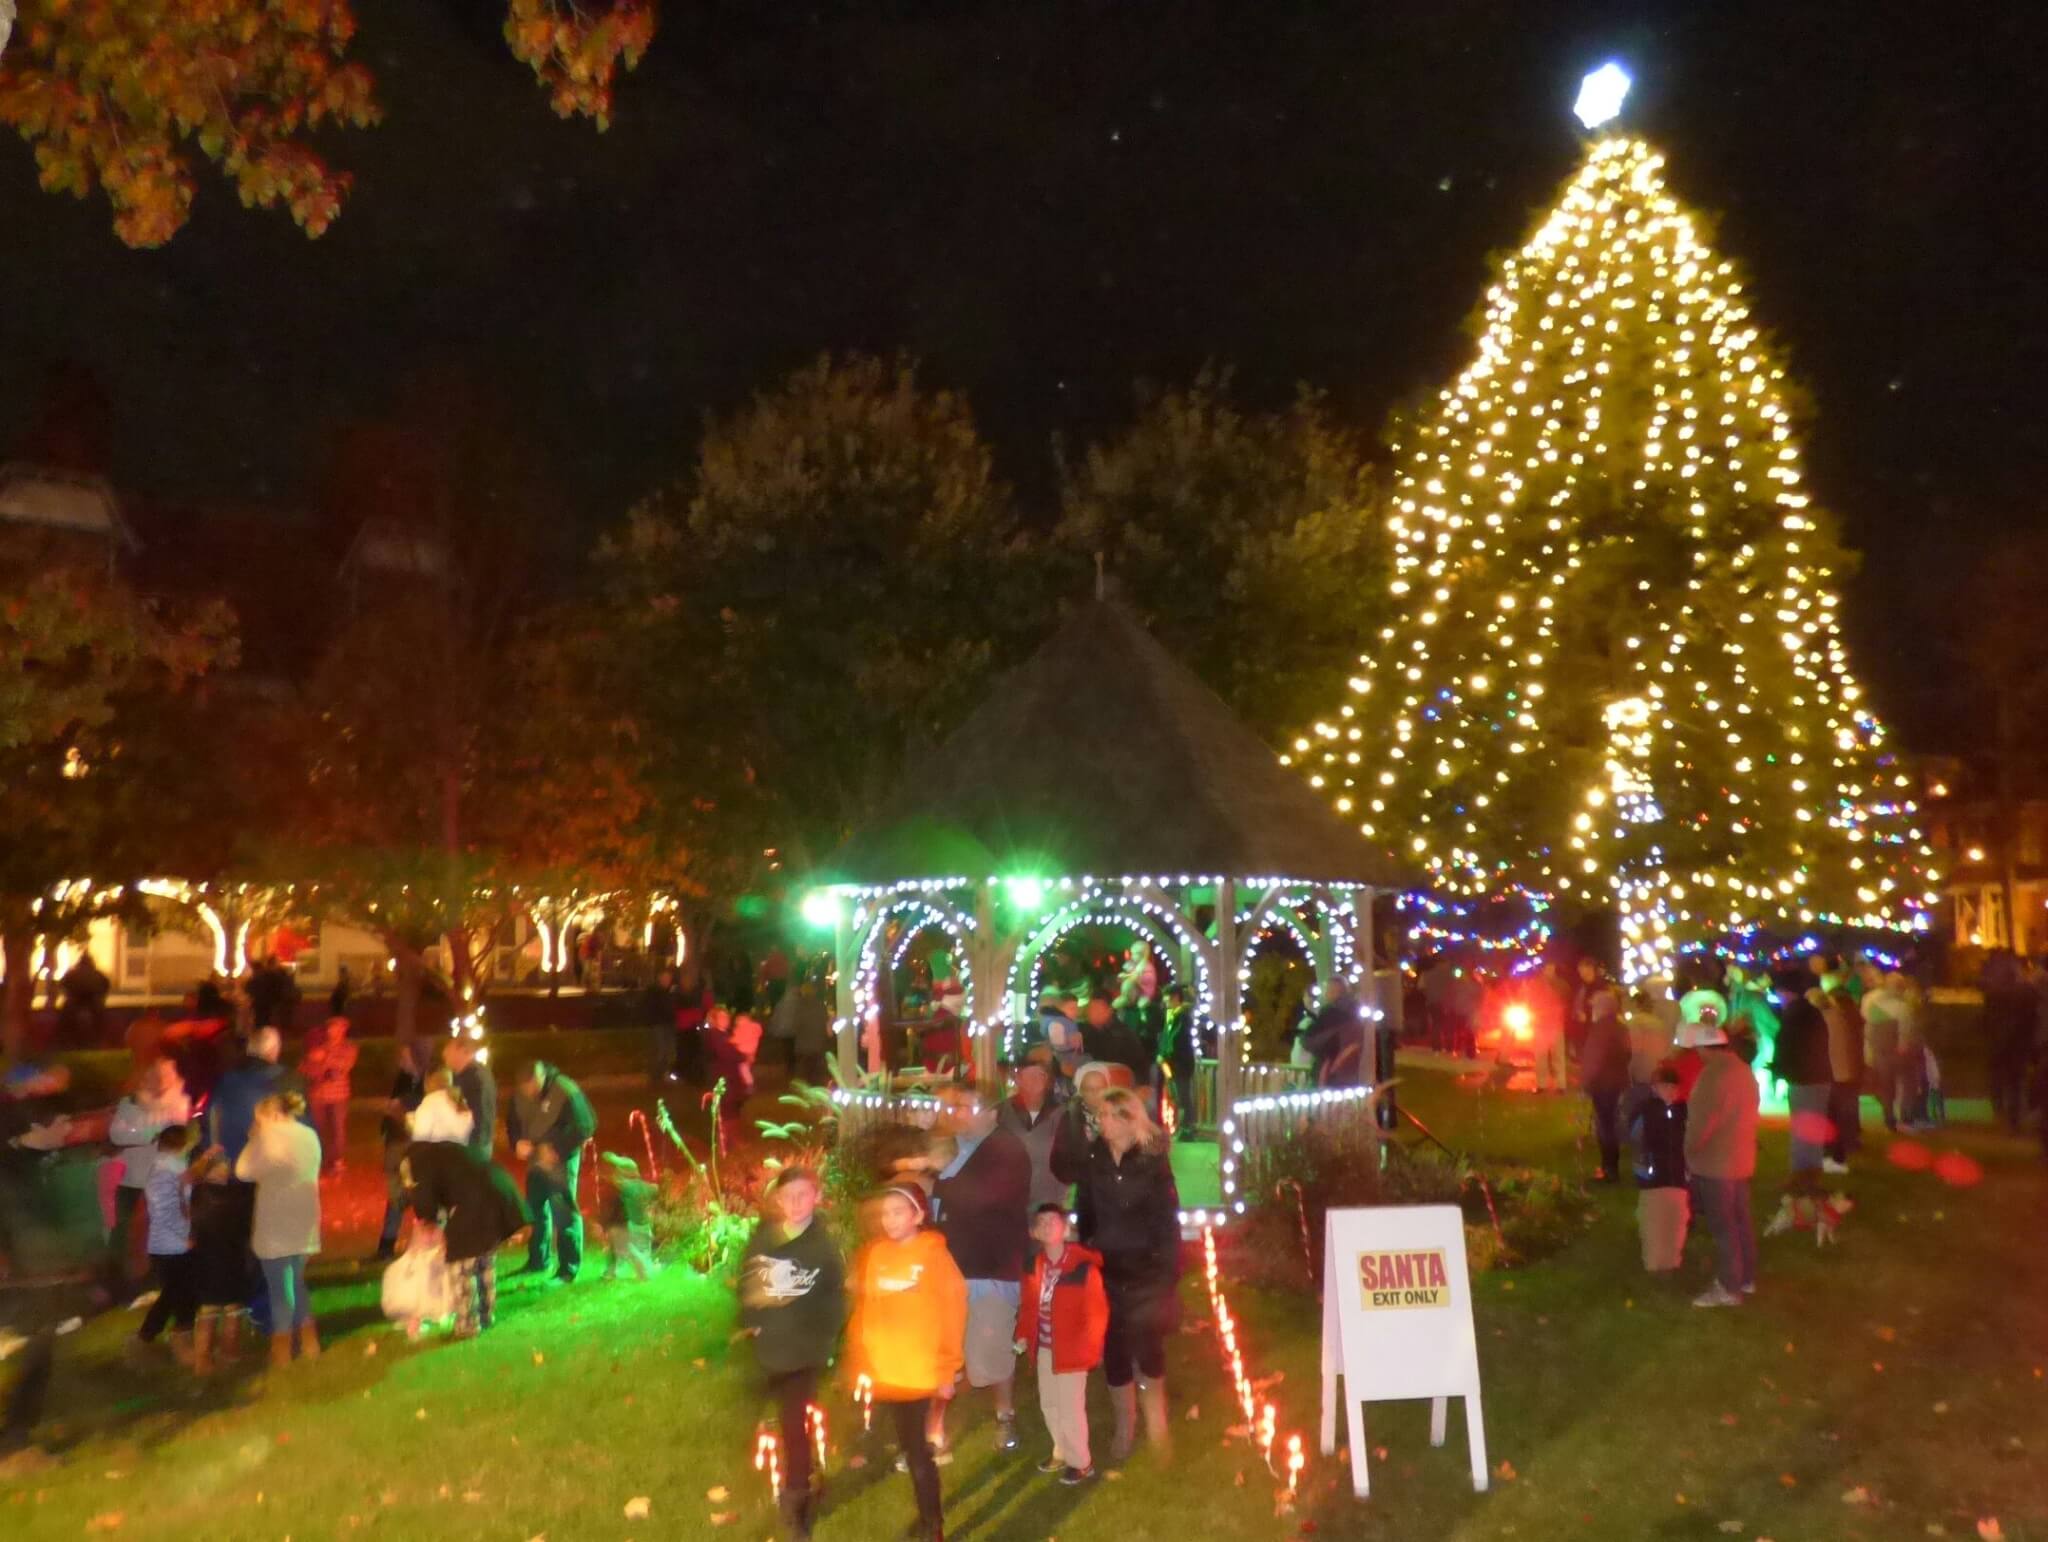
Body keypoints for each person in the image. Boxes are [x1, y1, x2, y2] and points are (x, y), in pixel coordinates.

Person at [1052, 1085, 1180, 1463]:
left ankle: (1157, 1423)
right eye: (1100, 1116)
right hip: (1106, 1268)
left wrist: (1167, 1271)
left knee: (1150, 1346)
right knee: (1114, 1347)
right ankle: (1126, 1424)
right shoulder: (1094, 1159)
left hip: (1146, 1268)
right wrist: (1089, 1247)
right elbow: (1085, 1207)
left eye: (1109, 1116)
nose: (1102, 1123)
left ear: (1128, 1119)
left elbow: (1165, 1219)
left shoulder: (1152, 1160)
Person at [845, 1184, 967, 1542]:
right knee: (906, 1446)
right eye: (886, 1212)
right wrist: (864, 1359)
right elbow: (869, 1311)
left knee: (916, 1452)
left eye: (899, 1211)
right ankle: (927, 1515)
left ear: (918, 1215)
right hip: (887, 1371)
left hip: (919, 1371)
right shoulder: (878, 1254)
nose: (890, 1219)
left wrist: (948, 1368)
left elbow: (953, 1310)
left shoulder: (933, 1255)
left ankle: (933, 1525)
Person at [740, 1167, 846, 1541]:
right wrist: (752, 1316)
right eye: (789, 1196)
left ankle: (796, 1502)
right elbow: (748, 1281)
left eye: (804, 1195)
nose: (796, 1203)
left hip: (804, 1352)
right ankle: (810, 1471)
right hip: (772, 1348)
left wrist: (826, 1341)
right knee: (789, 1418)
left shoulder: (823, 1248)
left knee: (792, 1425)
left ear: (816, 1197)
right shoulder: (765, 1239)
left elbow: (835, 1298)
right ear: (778, 1200)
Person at [928, 1081, 1033, 1458]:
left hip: (989, 1266)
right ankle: (933, 1428)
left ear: (990, 1113)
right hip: (948, 1268)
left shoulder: (1006, 1150)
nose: (955, 1113)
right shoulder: (948, 1147)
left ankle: (1005, 1416)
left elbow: (987, 1197)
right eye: (954, 1106)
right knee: (944, 1350)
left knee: (991, 1348)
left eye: (965, 1107)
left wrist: (935, 1181)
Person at [1013, 1203, 1108, 1485]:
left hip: (1072, 1351)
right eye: (1041, 1223)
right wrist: (1023, 1335)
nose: (1047, 1227)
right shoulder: (1034, 1267)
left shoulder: (1082, 1269)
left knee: (1071, 1408)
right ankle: (1061, 1450)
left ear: (1066, 1229)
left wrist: (1090, 1350)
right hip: (1045, 1349)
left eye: (1053, 1222)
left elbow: (1096, 1314)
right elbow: (1030, 1306)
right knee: (1050, 1404)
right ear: (1034, 1232)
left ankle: (1082, 1462)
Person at [400, 1137, 529, 1339]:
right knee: (483, 1258)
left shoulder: (419, 1161)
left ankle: (468, 1325)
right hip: (499, 1190)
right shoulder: (444, 1151)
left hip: (475, 1201)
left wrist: (427, 1218)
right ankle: (485, 1316)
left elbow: (424, 1201)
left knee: (462, 1263)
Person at [233, 1090, 323, 1365]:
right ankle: (310, 1342)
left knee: (278, 1287)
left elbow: (242, 1170)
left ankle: (281, 1348)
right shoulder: (308, 1134)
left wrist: (252, 1139)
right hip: (305, 1214)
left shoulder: (267, 1138)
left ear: (271, 1114)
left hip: (277, 1220)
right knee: (295, 1280)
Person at [1684, 1019, 1760, 1308]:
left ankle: (1729, 1286)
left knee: (1723, 1226)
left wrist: (1688, 1153)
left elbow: (1701, 1125)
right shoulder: (1743, 1071)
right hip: (1741, 1158)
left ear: (1705, 1047)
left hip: (1717, 1164)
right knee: (1741, 1220)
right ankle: (1746, 1277)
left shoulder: (1712, 1076)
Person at [103, 1059, 191, 1299]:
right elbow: (117, 1134)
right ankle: (118, 1285)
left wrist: (144, 1132)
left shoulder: (181, 1103)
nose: (161, 1081)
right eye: (156, 1075)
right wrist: (150, 1132)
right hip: (132, 1180)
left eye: (167, 1075)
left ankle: (155, 1282)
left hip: (162, 1182)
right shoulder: (130, 1103)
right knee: (122, 1232)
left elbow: (174, 1134)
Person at [509, 1060, 597, 1284]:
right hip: (535, 1161)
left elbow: (586, 1124)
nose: (529, 1093)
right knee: (535, 1209)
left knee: (563, 1211)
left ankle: (568, 1268)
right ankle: (538, 1260)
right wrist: (517, 1142)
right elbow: (513, 1123)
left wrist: (557, 1148)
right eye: (525, 1089)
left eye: (532, 1087)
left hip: (561, 1161)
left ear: (540, 1077)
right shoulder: (519, 1094)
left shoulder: (565, 1089)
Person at [133, 1123, 202, 1365]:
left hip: (172, 1242)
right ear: (181, 1144)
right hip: (171, 1244)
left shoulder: (168, 1166)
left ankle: (149, 1338)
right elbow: (164, 1209)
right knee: (179, 1293)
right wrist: (187, 1235)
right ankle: (172, 1341)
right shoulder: (164, 1169)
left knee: (177, 1293)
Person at [1770, 974, 1833, 1191]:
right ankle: (1810, 1173)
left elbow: (1786, 1045)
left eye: (1779, 992)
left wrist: (1778, 1068)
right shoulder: (1810, 1012)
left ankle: (1802, 1174)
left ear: (1786, 992)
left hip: (1805, 1078)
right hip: (1817, 1076)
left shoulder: (1795, 1015)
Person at [1628, 1063, 1688, 1273]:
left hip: (1678, 1179)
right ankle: (1654, 1262)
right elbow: (1636, 1143)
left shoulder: (1683, 1112)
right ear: (1654, 1087)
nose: (1670, 1092)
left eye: (1674, 1087)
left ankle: (1672, 1261)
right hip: (1653, 1181)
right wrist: (1645, 1170)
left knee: (1676, 1222)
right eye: (1665, 1087)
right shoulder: (1645, 1112)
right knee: (1653, 1221)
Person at [374, 1040, 430, 1260]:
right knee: (396, 1195)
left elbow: (418, 1108)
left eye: (406, 1057)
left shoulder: (426, 1082)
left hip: (412, 1144)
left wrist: (402, 1107)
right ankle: (386, 1244)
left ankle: (426, 1242)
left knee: (416, 1194)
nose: (402, 1061)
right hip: (397, 1142)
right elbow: (393, 1106)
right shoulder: (404, 1078)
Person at [1580, 977, 1632, 1182]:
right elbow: (1628, 1053)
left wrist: (1586, 1083)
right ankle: (1611, 1167)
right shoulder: (1620, 1027)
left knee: (1605, 1126)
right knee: (1609, 1123)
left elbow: (1594, 1058)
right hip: (1616, 1082)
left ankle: (1609, 1169)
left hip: (1602, 1084)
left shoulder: (1601, 1029)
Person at [999, 1061, 1068, 1212]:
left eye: (1041, 1075)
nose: (1035, 1080)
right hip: (1009, 1201)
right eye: (1029, 1075)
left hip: (1050, 1202)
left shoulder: (1062, 1114)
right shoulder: (1001, 1113)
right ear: (1018, 1079)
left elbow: (1069, 1160)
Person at [301, 1017, 358, 1176]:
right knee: (317, 1129)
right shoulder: (317, 1047)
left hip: (339, 1096)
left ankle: (337, 1160)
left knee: (338, 1128)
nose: (334, 1031)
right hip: (317, 1095)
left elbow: (344, 1066)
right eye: (332, 1027)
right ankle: (320, 1159)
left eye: (339, 1028)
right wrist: (314, 1064)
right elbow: (304, 1068)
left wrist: (324, 1058)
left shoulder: (349, 1047)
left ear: (344, 1030)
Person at [1822, 986, 1866, 1173]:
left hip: (1835, 1072)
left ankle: (1837, 1150)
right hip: (1851, 1070)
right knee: (1848, 1109)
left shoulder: (1832, 1018)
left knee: (1834, 1113)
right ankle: (1851, 1140)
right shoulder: (1852, 1017)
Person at [1860, 966, 1908, 1133]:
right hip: (1896, 1051)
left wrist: (1869, 1050)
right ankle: (1901, 1117)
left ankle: (1889, 1117)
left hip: (1880, 1050)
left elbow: (1869, 1029)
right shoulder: (1902, 1006)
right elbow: (1905, 1030)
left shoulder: (1874, 1005)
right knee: (1901, 1085)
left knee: (1886, 1085)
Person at [596, 1152, 657, 1281]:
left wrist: (612, 1160)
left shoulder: (626, 1186)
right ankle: (611, 1272)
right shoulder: (646, 1187)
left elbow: (616, 1181)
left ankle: (643, 1272)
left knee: (627, 1249)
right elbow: (655, 1189)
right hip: (645, 1226)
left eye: (619, 1170)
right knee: (640, 1252)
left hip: (632, 1227)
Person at [1303, 979, 1368, 1087]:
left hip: (1329, 1073)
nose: (1325, 993)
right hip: (1351, 1072)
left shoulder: (1331, 1014)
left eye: (1327, 990)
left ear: (1334, 991)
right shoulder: (1356, 1014)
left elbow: (1310, 1041)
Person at [1156, 984, 1200, 1137]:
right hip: (1171, 1063)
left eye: (1167, 998)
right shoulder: (1171, 1015)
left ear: (1175, 998)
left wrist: (1166, 1053)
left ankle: (1187, 1128)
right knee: (1176, 1095)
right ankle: (1181, 1126)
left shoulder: (1182, 1016)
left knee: (1183, 1096)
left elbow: (1177, 1039)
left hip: (1181, 1063)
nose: (1165, 1002)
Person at [442, 1036, 497, 1158]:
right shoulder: (464, 1075)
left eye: (450, 1049)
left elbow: (480, 1115)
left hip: (473, 1145)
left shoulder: (475, 1077)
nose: (444, 1053)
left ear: (463, 1051)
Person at [1079, 993, 1146, 1081]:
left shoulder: (1122, 1035)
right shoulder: (1082, 1031)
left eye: (1097, 1010)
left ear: (1109, 1011)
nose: (1093, 1014)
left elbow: (1139, 1063)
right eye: (1091, 1010)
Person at [644, 966, 681, 1085]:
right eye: (665, 978)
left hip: (669, 1023)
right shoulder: (654, 991)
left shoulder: (672, 991)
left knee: (669, 1050)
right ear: (660, 978)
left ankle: (665, 1073)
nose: (667, 980)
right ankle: (655, 1075)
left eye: (669, 978)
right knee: (660, 1050)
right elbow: (650, 1007)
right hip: (658, 1023)